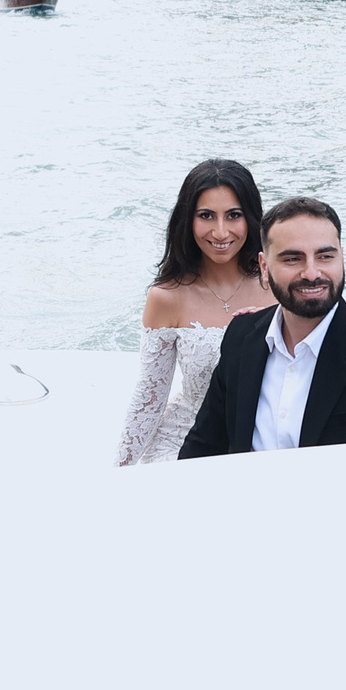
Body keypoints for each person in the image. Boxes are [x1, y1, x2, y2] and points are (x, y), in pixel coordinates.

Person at [178, 196, 346, 459]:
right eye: (293, 259)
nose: (312, 273)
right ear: (265, 268)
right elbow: (203, 447)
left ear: (341, 258)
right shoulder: (242, 336)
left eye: (325, 256)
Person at [115, 159, 269, 465]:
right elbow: (150, 398)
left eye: (233, 215)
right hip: (184, 441)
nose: (221, 232)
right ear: (188, 220)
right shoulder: (167, 297)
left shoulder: (277, 286)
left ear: (250, 218)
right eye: (206, 216)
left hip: (263, 440)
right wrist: (119, 472)